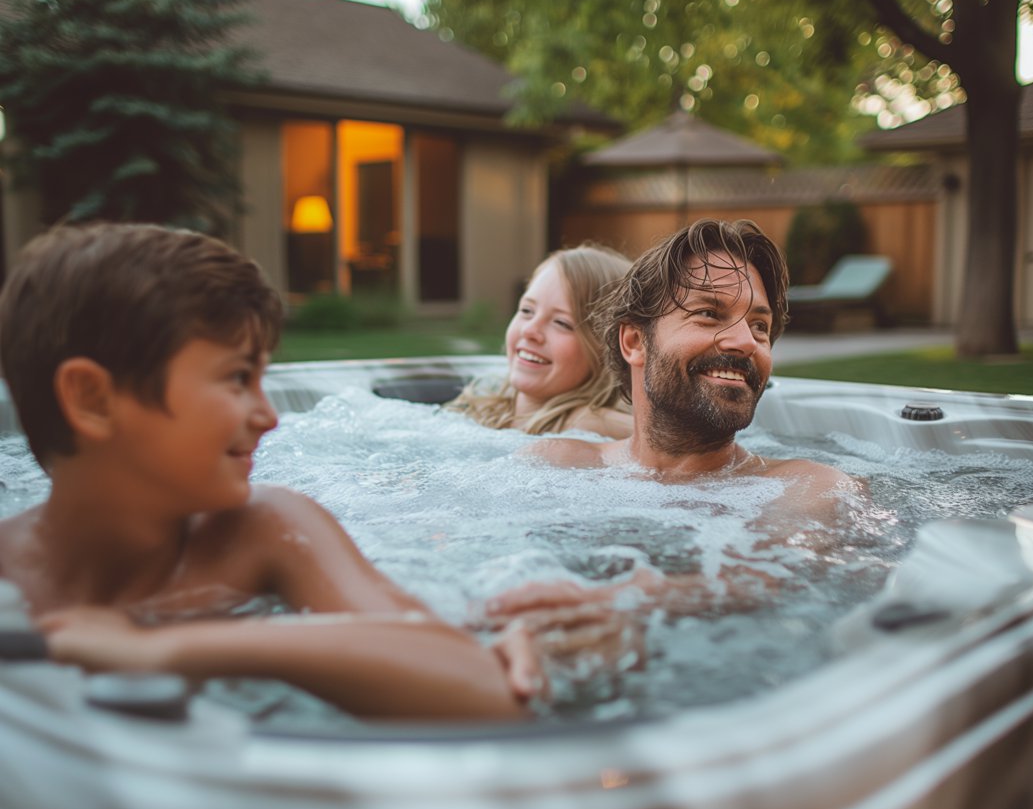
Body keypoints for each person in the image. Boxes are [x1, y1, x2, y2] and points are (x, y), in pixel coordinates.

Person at [0, 222, 543, 722]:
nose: (269, 416)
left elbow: (488, 692)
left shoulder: (263, 528)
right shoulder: (10, 579)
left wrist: (163, 649)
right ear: (92, 399)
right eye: (238, 378)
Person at [478, 217, 866, 627]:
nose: (745, 342)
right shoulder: (556, 461)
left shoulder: (807, 486)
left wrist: (625, 602)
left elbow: (772, 577)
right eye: (709, 314)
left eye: (759, 326)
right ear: (634, 342)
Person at [447, 244, 633, 438]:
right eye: (527, 310)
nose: (529, 331)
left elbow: (656, 440)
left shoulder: (590, 425)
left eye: (561, 323)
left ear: (610, 350)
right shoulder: (481, 403)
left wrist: (591, 420)